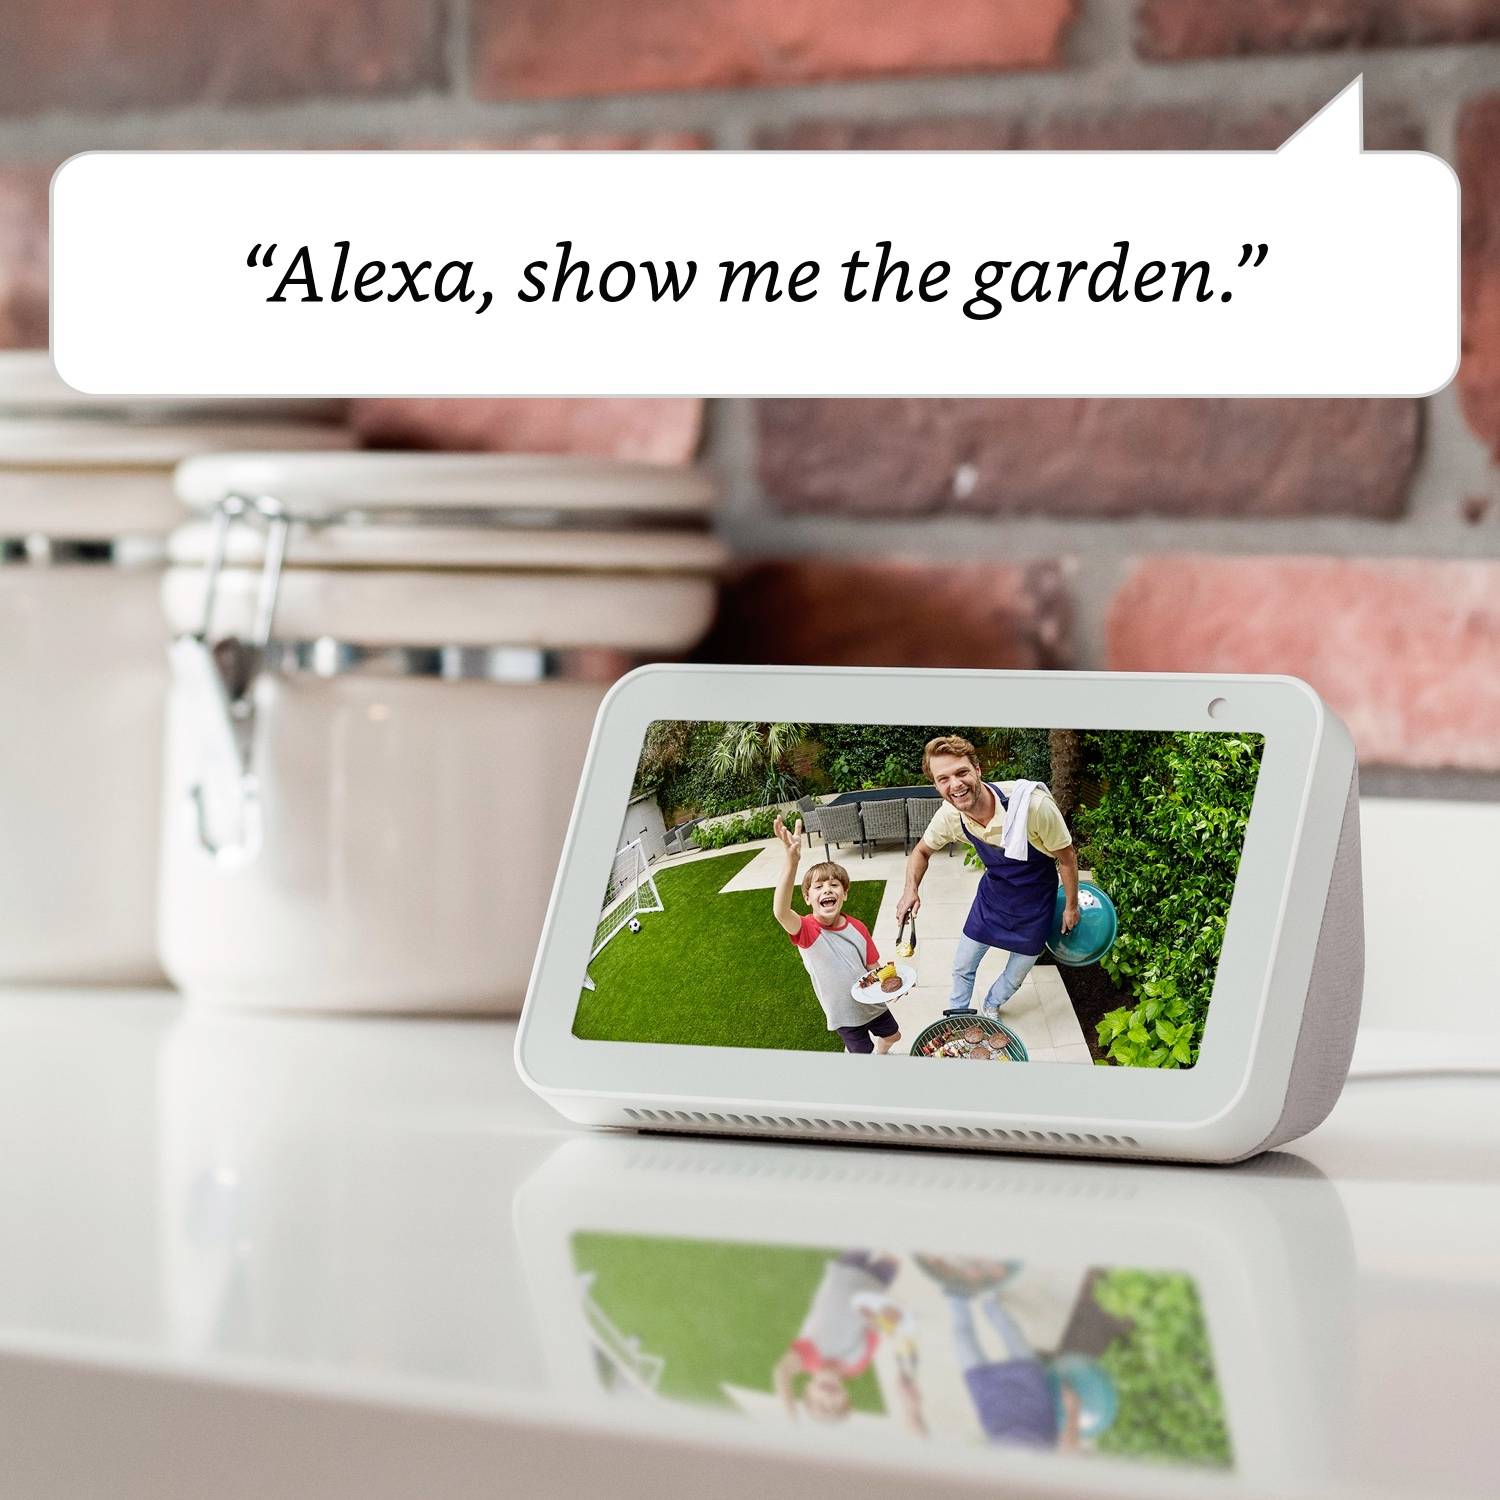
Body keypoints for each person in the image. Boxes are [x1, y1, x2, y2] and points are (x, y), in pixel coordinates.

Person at [896, 736, 1079, 1020]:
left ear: (978, 770)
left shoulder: (1032, 806)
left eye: (961, 772)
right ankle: (958, 1015)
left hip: (1036, 903)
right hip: (993, 899)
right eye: (943, 778)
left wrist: (1070, 905)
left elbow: (1067, 858)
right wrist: (911, 889)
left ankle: (992, 1004)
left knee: (1016, 974)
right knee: (962, 966)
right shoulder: (950, 816)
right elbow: (921, 851)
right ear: (936, 785)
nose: (955, 784)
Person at [772, 815, 901, 1055]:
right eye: (818, 887)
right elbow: (780, 912)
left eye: (834, 885)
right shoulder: (807, 930)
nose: (827, 890)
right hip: (844, 1012)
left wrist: (890, 985)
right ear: (808, 899)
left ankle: (880, 1056)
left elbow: (873, 965)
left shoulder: (858, 927)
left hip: (872, 1004)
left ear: (845, 894)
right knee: (861, 1053)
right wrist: (792, 862)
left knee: (893, 1035)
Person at [772, 1250, 900, 1423]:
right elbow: (877, 1328)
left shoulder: (808, 1357)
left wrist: (791, 1416)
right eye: (835, 1406)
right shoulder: (857, 1365)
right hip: (876, 1283)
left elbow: (781, 1373)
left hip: (845, 1271)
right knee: (896, 1250)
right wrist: (885, 1318)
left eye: (820, 1404)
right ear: (846, 1395)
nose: (828, 1401)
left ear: (807, 1389)